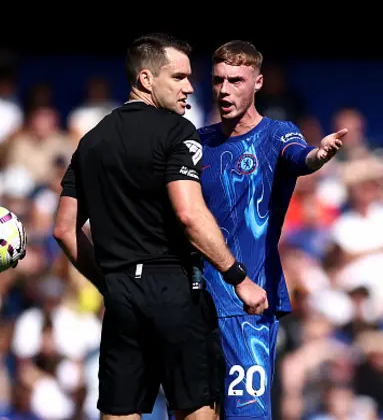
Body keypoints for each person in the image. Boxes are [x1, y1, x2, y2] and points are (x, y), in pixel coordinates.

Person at [53, 33, 268, 420]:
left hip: (120, 295)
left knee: (120, 411)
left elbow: (64, 230)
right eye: (179, 77)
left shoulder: (91, 141)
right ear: (147, 79)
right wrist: (238, 276)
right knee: (195, 409)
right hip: (175, 290)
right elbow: (189, 214)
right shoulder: (177, 131)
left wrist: (108, 281)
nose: (190, 87)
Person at [196, 40, 347, 419]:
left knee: (246, 414)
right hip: (193, 303)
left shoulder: (277, 133)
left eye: (236, 80)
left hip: (248, 301)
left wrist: (318, 154)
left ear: (258, 83)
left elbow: (300, 157)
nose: (225, 90)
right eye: (218, 80)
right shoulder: (197, 142)